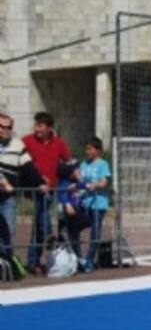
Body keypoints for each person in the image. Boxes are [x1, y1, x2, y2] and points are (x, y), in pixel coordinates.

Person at [23, 112, 71, 272]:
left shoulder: (58, 143)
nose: (36, 129)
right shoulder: (27, 141)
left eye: (40, 126)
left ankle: (32, 261)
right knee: (41, 215)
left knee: (38, 224)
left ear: (49, 128)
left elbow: (68, 160)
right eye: (35, 125)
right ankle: (50, 235)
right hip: (34, 187)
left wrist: (72, 175)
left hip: (51, 187)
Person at [0, 112, 41, 258]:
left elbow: (28, 167)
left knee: (9, 232)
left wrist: (41, 183)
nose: (5, 130)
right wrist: (3, 182)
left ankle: (7, 265)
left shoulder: (17, 144)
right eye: (2, 127)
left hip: (8, 197)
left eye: (8, 127)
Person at [79, 137, 111, 270]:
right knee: (75, 229)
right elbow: (79, 179)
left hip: (98, 203)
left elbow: (104, 181)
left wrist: (95, 185)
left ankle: (90, 260)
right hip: (84, 202)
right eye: (86, 149)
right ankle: (77, 257)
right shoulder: (83, 164)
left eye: (90, 149)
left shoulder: (102, 164)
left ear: (97, 150)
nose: (88, 151)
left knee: (95, 231)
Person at [55, 160, 90, 269]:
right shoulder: (64, 183)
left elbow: (81, 184)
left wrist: (87, 185)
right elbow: (61, 193)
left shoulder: (72, 182)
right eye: (76, 170)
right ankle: (66, 261)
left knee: (75, 237)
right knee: (83, 223)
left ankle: (77, 259)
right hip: (67, 211)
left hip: (74, 209)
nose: (79, 171)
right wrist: (67, 204)